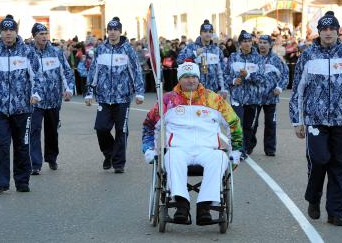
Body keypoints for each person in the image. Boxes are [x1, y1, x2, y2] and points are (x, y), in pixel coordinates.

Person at [142, 62, 242, 225]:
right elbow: (149, 125)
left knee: (219, 158)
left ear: (199, 78)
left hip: (208, 149)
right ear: (179, 79)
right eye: (186, 77)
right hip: (179, 149)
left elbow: (234, 123)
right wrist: (149, 149)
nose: (191, 80)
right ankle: (181, 205)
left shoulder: (213, 99)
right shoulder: (168, 100)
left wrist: (235, 150)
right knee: (171, 157)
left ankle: (205, 207)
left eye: (194, 76)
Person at [289, 11, 342, 226]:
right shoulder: (308, 55)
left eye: (332, 29)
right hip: (315, 119)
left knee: (339, 165)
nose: (328, 33)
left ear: (338, 32)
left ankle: (335, 212)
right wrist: (298, 121)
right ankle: (313, 197)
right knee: (320, 159)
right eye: (324, 29)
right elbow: (298, 90)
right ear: (319, 32)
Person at [85, 17, 144, 173]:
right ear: (107, 32)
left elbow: (136, 71)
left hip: (123, 97)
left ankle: (118, 163)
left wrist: (139, 92)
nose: (112, 32)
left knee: (121, 130)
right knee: (101, 128)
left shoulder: (127, 49)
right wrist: (89, 92)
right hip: (104, 97)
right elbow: (93, 72)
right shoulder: (101, 49)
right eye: (109, 30)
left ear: (120, 31)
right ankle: (109, 153)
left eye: (115, 29)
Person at [0, 15, 43, 193]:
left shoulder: (27, 52)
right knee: (0, 147)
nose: (8, 33)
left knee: (22, 146)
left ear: (16, 32)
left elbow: (37, 76)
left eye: (11, 30)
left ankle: (22, 182)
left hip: (23, 109)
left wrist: (35, 94)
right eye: (5, 30)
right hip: (0, 112)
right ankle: (0, 183)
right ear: (1, 33)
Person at [29, 23, 75, 175]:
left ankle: (51, 158)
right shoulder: (28, 53)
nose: (43, 36)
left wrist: (68, 89)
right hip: (35, 101)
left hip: (54, 99)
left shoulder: (56, 52)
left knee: (52, 131)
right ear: (34, 36)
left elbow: (67, 71)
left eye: (45, 33)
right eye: (40, 34)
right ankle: (35, 164)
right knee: (34, 130)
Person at [224, 30, 265, 159]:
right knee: (237, 124)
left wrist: (248, 75)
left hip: (253, 99)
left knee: (248, 126)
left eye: (249, 41)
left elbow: (262, 78)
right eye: (244, 42)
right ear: (240, 43)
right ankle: (238, 151)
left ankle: (245, 148)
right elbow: (225, 76)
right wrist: (232, 81)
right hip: (237, 98)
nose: (247, 44)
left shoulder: (258, 58)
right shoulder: (233, 57)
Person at [251, 35, 289, 156]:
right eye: (260, 42)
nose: (262, 45)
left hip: (271, 98)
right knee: (252, 124)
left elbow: (285, 75)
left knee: (270, 124)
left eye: (265, 43)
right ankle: (249, 146)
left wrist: (279, 88)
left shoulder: (276, 60)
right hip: (254, 98)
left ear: (270, 45)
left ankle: (270, 148)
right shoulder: (253, 58)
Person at [177, 20, 227, 98]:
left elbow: (223, 71)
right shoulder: (191, 47)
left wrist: (224, 89)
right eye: (205, 32)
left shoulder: (216, 50)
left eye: (210, 32)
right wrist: (194, 54)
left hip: (213, 91)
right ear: (200, 33)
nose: (208, 34)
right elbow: (179, 60)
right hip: (195, 91)